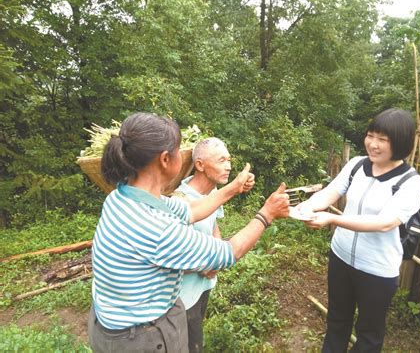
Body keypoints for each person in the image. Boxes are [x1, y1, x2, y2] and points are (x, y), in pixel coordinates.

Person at [87, 112, 289, 353]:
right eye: (178, 149)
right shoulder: (157, 228)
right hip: (140, 338)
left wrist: (233, 188)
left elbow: (190, 210)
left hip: (110, 323)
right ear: (165, 159)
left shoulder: (123, 196)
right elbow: (228, 252)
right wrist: (267, 213)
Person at [298, 109, 420, 352]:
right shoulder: (357, 165)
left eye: (382, 139)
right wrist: (305, 207)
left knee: (368, 336)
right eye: (370, 135)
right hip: (341, 257)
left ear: (400, 143)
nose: (373, 144)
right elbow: (331, 192)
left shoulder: (411, 183)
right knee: (336, 321)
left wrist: (331, 220)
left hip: (377, 271)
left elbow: (385, 222)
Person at [173, 137, 236, 353]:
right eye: (221, 160)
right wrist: (206, 265)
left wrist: (217, 253)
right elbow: (172, 257)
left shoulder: (212, 194)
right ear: (200, 165)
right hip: (181, 296)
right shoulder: (181, 202)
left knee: (197, 337)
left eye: (229, 160)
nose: (228, 166)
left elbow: (213, 225)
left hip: (202, 287)